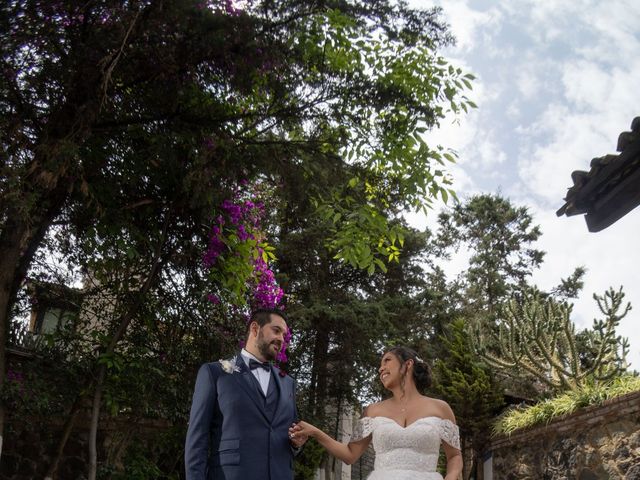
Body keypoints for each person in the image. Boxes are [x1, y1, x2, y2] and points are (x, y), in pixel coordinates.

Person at [289, 346, 462, 480]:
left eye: (387, 361)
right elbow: (350, 455)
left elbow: (454, 456)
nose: (381, 368)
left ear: (408, 365)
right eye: (380, 365)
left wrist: (451, 476)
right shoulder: (372, 411)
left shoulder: (441, 408)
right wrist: (315, 432)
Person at [185, 308, 307, 480]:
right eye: (276, 330)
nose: (281, 339)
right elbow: (197, 440)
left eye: (284, 335)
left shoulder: (288, 383)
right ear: (255, 329)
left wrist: (296, 444)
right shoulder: (214, 373)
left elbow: (288, 437)